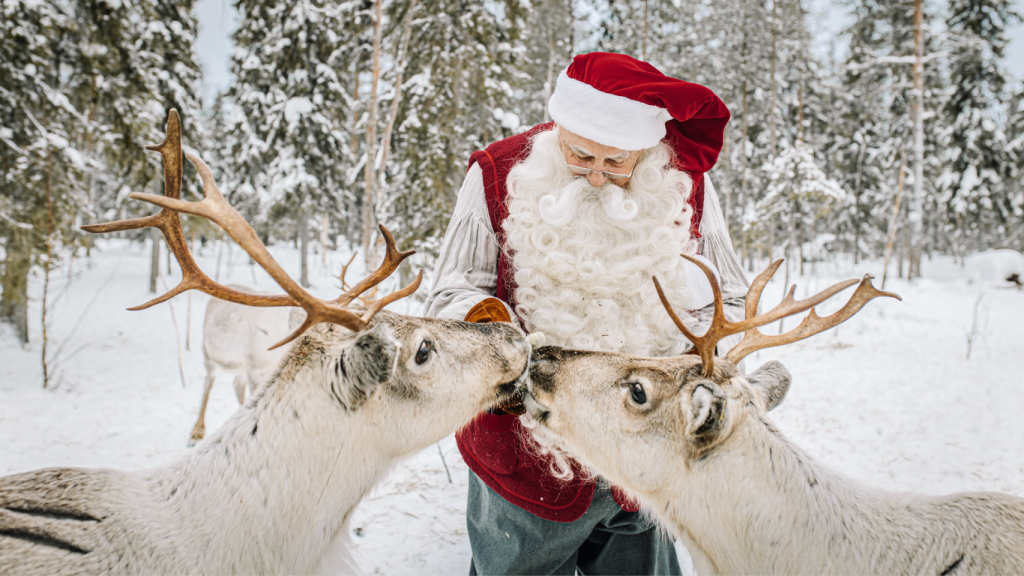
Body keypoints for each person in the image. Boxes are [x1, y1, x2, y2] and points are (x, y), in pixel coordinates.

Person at [424, 52, 749, 576]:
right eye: (579, 155)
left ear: (646, 150)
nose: (596, 177)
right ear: (560, 128)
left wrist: (709, 360)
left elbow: (730, 298)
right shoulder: (496, 171)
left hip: (642, 466)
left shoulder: (683, 180)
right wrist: (493, 337)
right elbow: (450, 292)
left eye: (617, 162)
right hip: (523, 466)